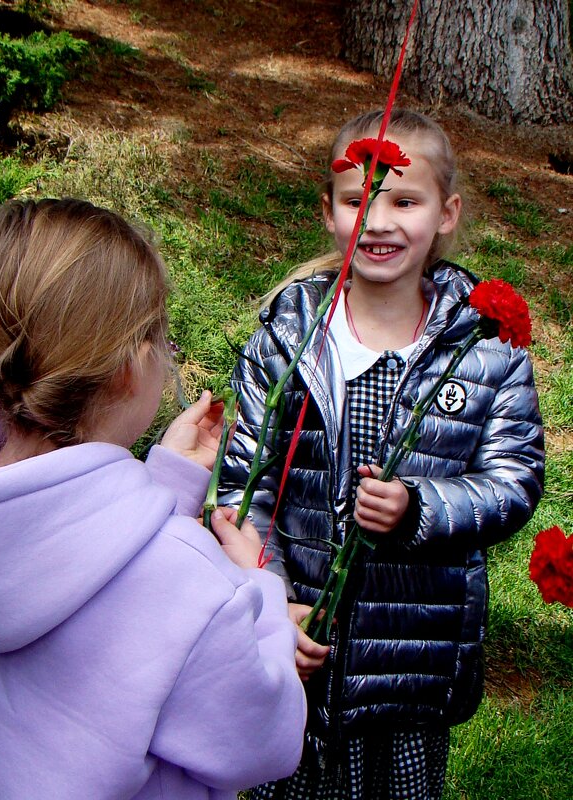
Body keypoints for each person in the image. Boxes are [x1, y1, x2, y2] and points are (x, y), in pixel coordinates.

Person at [219, 109, 544, 800]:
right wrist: (270, 599)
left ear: (446, 213)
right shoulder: (286, 340)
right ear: (328, 210)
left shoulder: (483, 349)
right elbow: (243, 487)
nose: (378, 219)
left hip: (412, 656)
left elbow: (514, 481)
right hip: (302, 646)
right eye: (356, 198)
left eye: (404, 200)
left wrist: (421, 507)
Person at [0, 198, 306, 800]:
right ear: (131, 366)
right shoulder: (190, 587)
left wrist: (169, 484)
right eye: (162, 335)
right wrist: (256, 592)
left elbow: (65, 546)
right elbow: (264, 738)